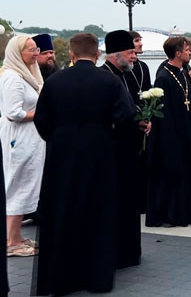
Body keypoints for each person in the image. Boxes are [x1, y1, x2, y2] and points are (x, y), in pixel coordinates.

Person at [33, 32, 136, 295]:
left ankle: (61, 278)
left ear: (72, 53)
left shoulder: (54, 82)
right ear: (97, 53)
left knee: (63, 212)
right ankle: (96, 277)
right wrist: (109, 139)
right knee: (98, 214)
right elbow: (126, 117)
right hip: (100, 155)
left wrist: (58, 139)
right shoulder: (109, 81)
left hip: (62, 156)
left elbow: (41, 120)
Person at [100, 30, 149, 268]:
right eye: (130, 52)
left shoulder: (125, 75)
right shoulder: (104, 77)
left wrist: (138, 122)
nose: (133, 57)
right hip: (113, 154)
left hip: (128, 152)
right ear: (116, 54)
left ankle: (129, 253)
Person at [146, 36, 191, 227]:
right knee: (173, 174)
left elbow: (187, 98)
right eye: (187, 50)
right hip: (172, 134)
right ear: (177, 53)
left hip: (187, 130)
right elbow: (164, 111)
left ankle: (190, 212)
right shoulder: (164, 77)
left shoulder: (183, 73)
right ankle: (172, 214)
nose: (190, 53)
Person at [0, 36, 44, 257]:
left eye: (36, 48)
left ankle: (15, 236)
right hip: (20, 139)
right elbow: (13, 113)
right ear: (18, 53)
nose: (36, 53)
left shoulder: (24, 75)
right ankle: (11, 241)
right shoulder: (13, 78)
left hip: (29, 139)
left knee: (24, 185)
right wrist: (42, 115)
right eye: (30, 50)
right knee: (18, 186)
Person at [128, 31, 152, 212]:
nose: (140, 44)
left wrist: (148, 114)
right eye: (137, 41)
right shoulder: (124, 68)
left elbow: (147, 91)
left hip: (144, 116)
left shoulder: (143, 66)